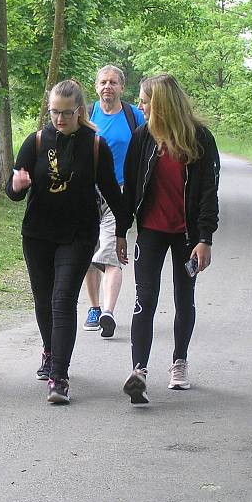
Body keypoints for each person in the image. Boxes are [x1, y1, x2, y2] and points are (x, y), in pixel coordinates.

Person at [6, 79, 125, 404]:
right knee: (43, 301)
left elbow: (113, 193)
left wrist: (122, 231)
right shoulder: (37, 141)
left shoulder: (95, 144)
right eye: (54, 112)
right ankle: (49, 351)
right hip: (38, 234)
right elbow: (12, 192)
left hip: (78, 234)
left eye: (66, 114)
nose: (59, 119)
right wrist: (17, 185)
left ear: (80, 111)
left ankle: (59, 376)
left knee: (62, 301)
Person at [115, 74, 220, 404]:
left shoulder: (199, 139)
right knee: (144, 299)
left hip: (186, 236)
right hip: (151, 231)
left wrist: (205, 238)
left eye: (145, 100)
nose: (140, 105)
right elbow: (129, 189)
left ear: (161, 103)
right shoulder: (142, 137)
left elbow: (207, 194)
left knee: (183, 297)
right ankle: (138, 372)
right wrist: (120, 230)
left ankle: (179, 363)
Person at [82, 65, 145, 338]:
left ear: (122, 87)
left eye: (113, 82)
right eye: (103, 82)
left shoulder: (135, 116)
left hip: (118, 194)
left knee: (110, 250)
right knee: (87, 251)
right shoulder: (87, 114)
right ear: (96, 87)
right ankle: (94, 307)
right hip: (85, 193)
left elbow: (148, 148)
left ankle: (108, 311)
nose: (108, 86)